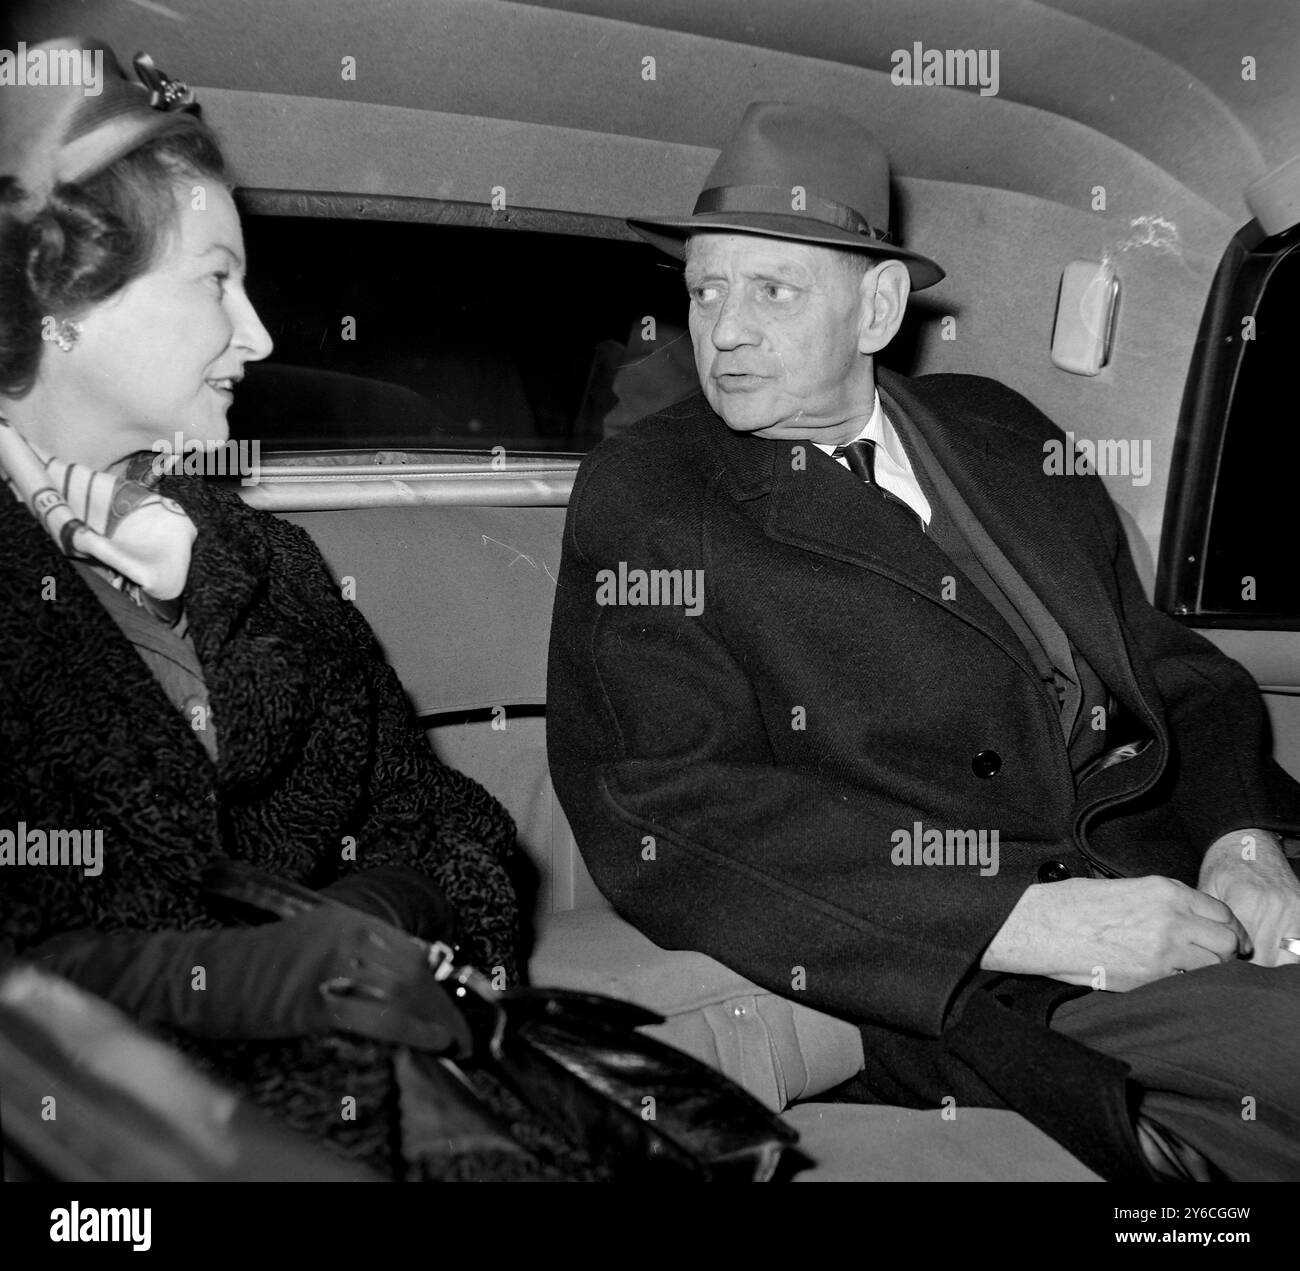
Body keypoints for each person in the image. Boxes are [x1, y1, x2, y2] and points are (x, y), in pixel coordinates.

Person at [547, 101, 1300, 1181]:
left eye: (771, 288)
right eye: (704, 289)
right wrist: (1019, 920)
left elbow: (1169, 666)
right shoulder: (652, 495)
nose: (722, 330)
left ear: (879, 306)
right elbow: (666, 803)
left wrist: (1240, 838)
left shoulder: (1000, 426)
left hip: (1180, 872)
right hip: (969, 961)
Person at [0, 38, 522, 1179]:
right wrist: (250, 982)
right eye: (215, 281)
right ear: (60, 292)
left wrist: (398, 910)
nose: (263, 335)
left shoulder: (266, 560)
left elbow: (451, 821)